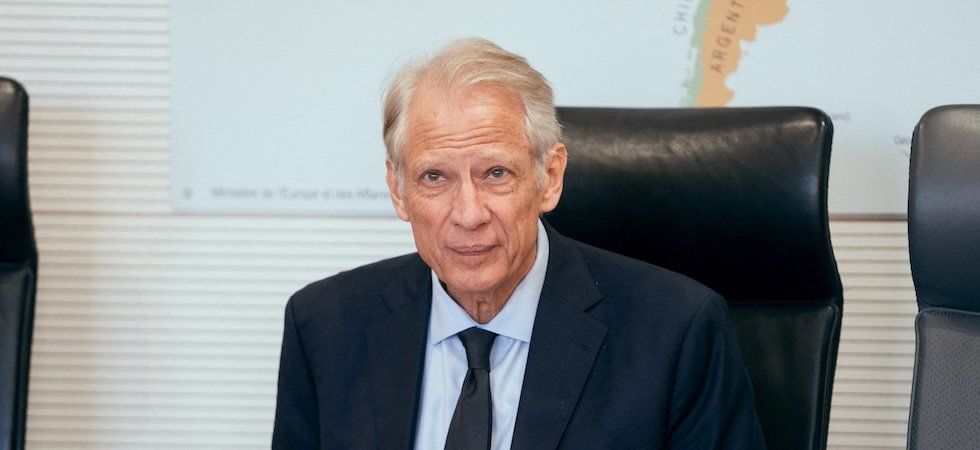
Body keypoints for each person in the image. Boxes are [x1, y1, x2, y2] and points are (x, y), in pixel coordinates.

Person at [273, 38, 765, 450]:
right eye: (434, 177)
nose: (468, 214)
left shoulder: (676, 330)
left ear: (549, 177)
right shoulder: (325, 325)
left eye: (496, 173)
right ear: (399, 190)